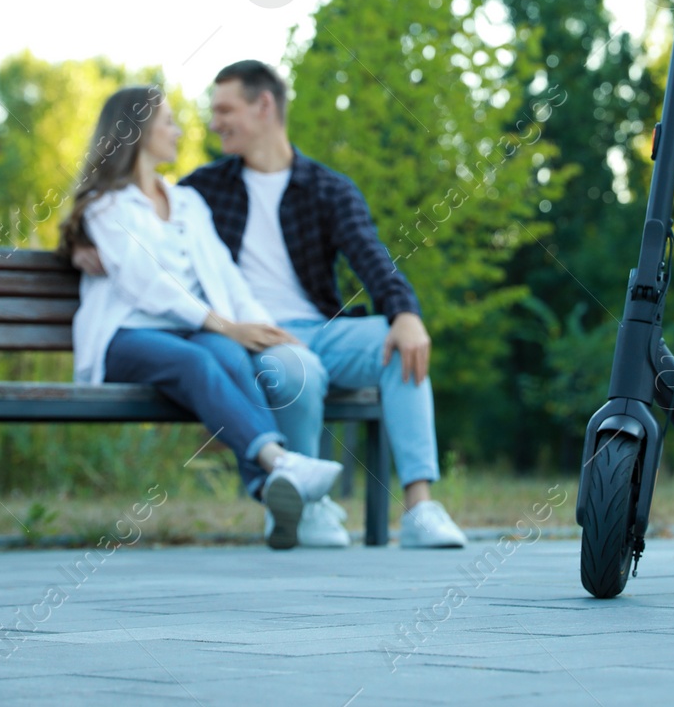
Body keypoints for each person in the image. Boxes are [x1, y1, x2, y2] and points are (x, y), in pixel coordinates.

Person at [76, 61, 467, 548]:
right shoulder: (204, 188)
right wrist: (77, 245)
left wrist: (406, 314)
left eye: (224, 110)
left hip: (317, 327)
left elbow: (371, 257)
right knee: (293, 369)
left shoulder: (326, 189)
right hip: (249, 336)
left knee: (401, 347)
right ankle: (305, 502)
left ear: (263, 107)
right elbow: (125, 228)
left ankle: (421, 508)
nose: (212, 122)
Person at [61, 85, 341, 550]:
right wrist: (222, 324)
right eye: (168, 121)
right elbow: (143, 282)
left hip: (192, 330)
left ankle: (270, 485)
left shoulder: (188, 203)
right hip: (125, 337)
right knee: (199, 362)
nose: (179, 130)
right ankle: (282, 462)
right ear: (137, 131)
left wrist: (261, 329)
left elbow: (227, 276)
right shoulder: (106, 206)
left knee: (230, 354)